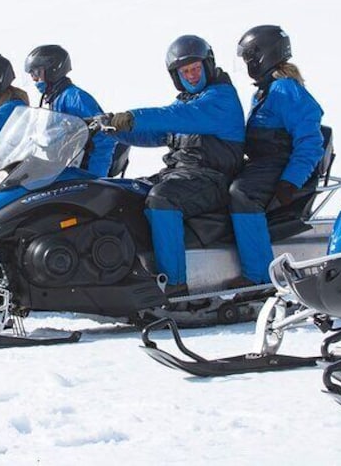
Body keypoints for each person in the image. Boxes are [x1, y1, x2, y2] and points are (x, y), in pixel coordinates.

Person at [105, 35, 245, 297]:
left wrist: (132, 118)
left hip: (212, 179)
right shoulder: (187, 101)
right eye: (185, 71)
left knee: (162, 199)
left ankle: (175, 287)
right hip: (182, 175)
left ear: (208, 66)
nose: (191, 76)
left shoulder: (220, 98)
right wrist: (112, 130)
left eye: (195, 69)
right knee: (125, 192)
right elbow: (158, 132)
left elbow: (173, 117)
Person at [229, 25, 324, 285]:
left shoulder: (285, 90)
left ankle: (260, 278)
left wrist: (290, 181)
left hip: (280, 167)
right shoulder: (264, 92)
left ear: (263, 56)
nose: (247, 64)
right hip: (263, 165)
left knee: (242, 194)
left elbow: (311, 141)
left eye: (249, 58)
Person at [24, 44, 116, 177]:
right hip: (63, 169)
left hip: (83, 173)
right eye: (31, 73)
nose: (33, 78)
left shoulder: (74, 98)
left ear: (52, 70)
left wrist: (94, 177)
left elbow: (104, 136)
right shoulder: (54, 98)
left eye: (37, 72)